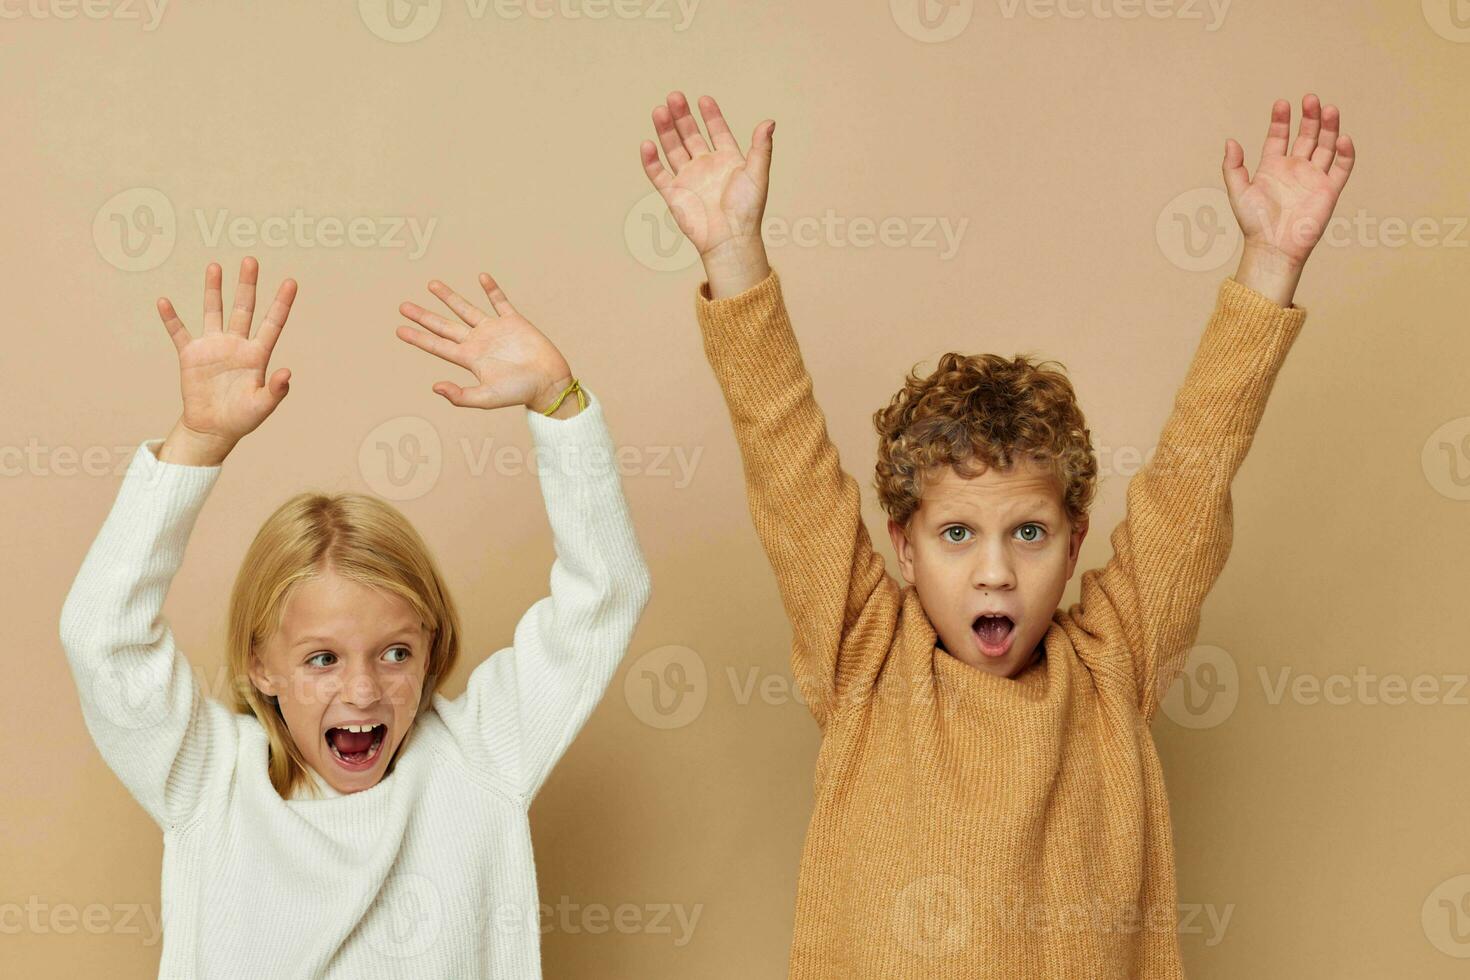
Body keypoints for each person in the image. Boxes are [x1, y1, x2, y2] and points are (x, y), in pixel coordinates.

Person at [639, 89, 1354, 976]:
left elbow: (1192, 484)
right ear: (902, 544)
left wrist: (1271, 263)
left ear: (1076, 537)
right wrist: (734, 253)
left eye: (1027, 534)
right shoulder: (864, 656)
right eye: (954, 536)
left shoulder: (1112, 663)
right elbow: (786, 461)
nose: (993, 575)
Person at [58, 257, 652, 978]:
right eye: (322, 659)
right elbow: (101, 637)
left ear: (432, 649)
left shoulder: (484, 754)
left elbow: (606, 591)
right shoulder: (209, 779)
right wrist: (196, 446)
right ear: (259, 665)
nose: (364, 692)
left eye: (395, 653)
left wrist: (560, 403)